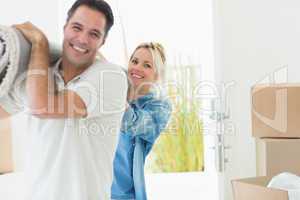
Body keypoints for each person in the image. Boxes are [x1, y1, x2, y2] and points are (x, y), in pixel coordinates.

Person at [0, 0, 128, 199]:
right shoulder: (39, 74)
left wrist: (39, 42)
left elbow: (42, 107)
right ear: (65, 27)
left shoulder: (110, 76)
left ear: (103, 41)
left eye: (94, 34)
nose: (83, 39)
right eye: (77, 28)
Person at [111, 42, 172, 200]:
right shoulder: (118, 83)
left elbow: (132, 123)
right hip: (94, 187)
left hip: (123, 193)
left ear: (157, 74)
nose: (137, 68)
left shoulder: (160, 106)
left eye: (147, 65)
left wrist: (117, 94)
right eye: (134, 61)